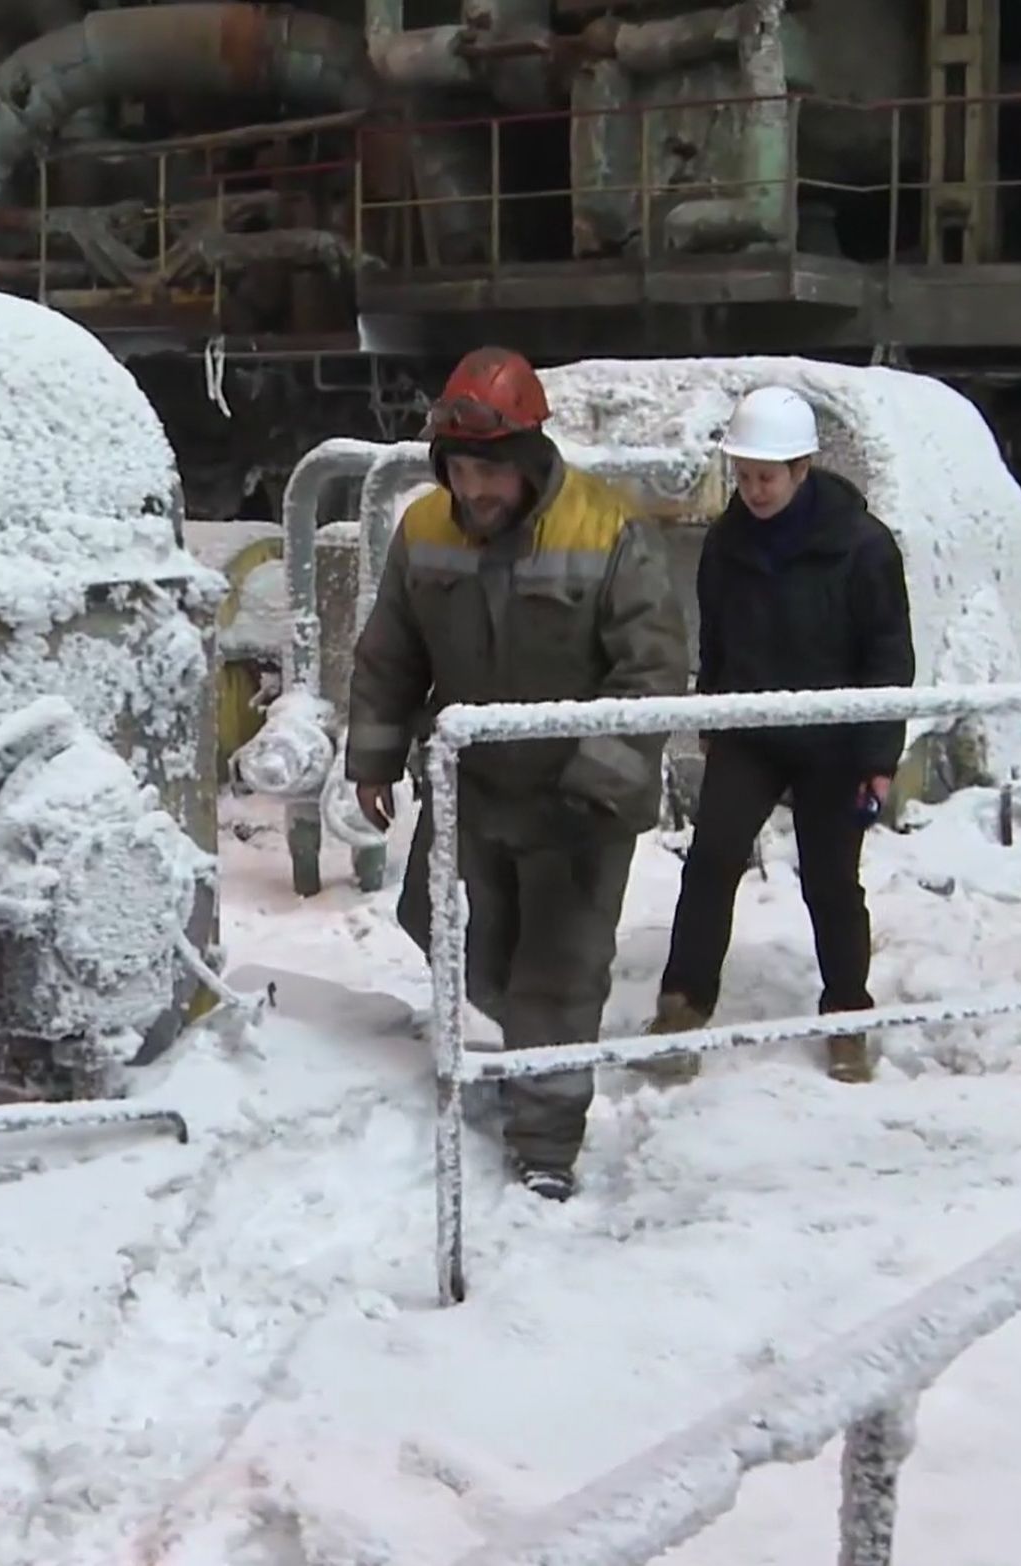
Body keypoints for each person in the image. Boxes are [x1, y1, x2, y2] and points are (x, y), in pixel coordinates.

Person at [344, 346, 689, 1202]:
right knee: (440, 926)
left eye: (490, 472)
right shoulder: (424, 529)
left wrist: (596, 779)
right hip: (474, 790)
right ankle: (533, 1049)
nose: (475, 490)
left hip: (580, 804)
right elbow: (391, 651)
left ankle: (545, 1143)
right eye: (460, 469)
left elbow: (651, 669)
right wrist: (375, 756)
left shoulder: (608, 530)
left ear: (531, 459)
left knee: (559, 972)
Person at [647, 385, 914, 1086]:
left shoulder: (863, 548)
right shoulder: (726, 541)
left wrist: (878, 756)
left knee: (830, 880)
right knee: (711, 861)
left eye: (767, 476)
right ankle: (682, 1003)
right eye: (743, 475)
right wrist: (714, 714)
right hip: (752, 730)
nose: (754, 490)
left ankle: (847, 1013)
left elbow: (889, 656)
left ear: (801, 469)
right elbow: (720, 634)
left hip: (832, 740)